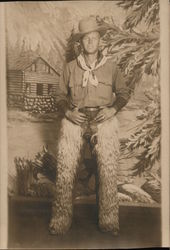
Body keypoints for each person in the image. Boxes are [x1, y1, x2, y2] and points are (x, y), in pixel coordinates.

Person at [49, 16, 131, 236]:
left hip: (104, 121)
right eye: (86, 39)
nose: (91, 42)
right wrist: (68, 112)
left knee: (108, 172)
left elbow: (123, 93)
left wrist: (113, 110)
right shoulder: (70, 68)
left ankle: (109, 221)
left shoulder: (111, 67)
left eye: (94, 38)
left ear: (99, 41)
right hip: (76, 119)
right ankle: (60, 220)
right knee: (66, 172)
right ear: (81, 43)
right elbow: (58, 96)